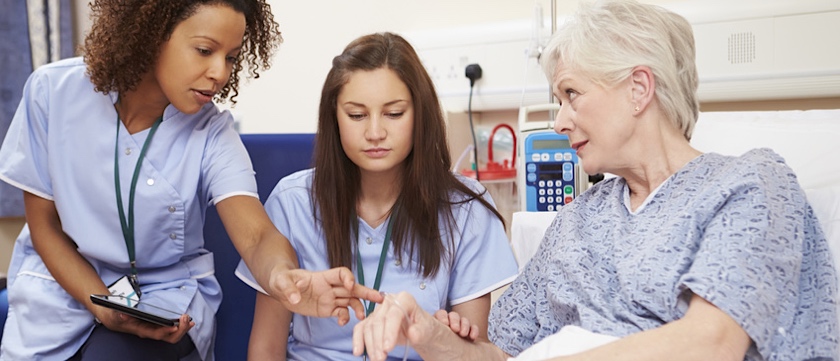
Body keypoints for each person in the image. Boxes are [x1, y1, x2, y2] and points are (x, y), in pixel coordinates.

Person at [350, 1, 840, 360]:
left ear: (638, 89)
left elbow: (708, 345)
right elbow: (497, 355)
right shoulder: (578, 220)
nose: (559, 121)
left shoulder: (749, 185)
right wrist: (425, 332)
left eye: (571, 94)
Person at [0, 1, 382, 360]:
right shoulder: (51, 92)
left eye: (231, 57)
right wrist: (101, 303)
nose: (221, 72)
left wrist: (284, 277)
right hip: (61, 289)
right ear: (152, 33)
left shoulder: (212, 133)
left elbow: (256, 235)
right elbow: (44, 225)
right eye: (204, 50)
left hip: (160, 303)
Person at [234, 32, 519, 360]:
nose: (374, 133)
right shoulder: (291, 202)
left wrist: (443, 336)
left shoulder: (466, 208)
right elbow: (265, 350)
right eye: (356, 115)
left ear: (420, 114)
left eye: (394, 113)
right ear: (334, 118)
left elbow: (472, 350)